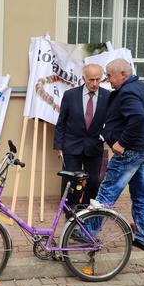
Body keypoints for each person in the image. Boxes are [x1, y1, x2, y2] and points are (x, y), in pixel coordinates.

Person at [92, 58, 144, 252]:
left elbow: (137, 117)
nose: (107, 79)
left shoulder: (128, 92)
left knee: (106, 193)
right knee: (139, 196)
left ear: (123, 75)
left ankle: (87, 232)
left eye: (109, 75)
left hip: (130, 152)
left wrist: (122, 143)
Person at [54, 63, 110, 205]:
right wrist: (58, 145)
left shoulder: (107, 96)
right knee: (71, 182)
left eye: (98, 79)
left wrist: (103, 136)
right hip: (72, 146)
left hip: (94, 146)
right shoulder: (70, 95)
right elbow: (61, 121)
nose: (95, 83)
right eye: (91, 79)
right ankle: (70, 210)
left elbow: (112, 122)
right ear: (84, 78)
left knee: (92, 182)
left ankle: (86, 209)